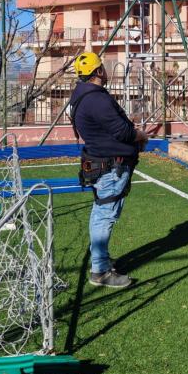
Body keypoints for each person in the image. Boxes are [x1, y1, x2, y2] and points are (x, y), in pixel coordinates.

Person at [71, 51, 148, 288]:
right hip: (111, 166)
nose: (105, 70)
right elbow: (122, 132)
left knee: (100, 213)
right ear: (98, 71)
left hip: (101, 162)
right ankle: (101, 271)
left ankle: (100, 260)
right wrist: (140, 135)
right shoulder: (97, 99)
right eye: (102, 67)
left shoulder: (81, 96)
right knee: (105, 216)